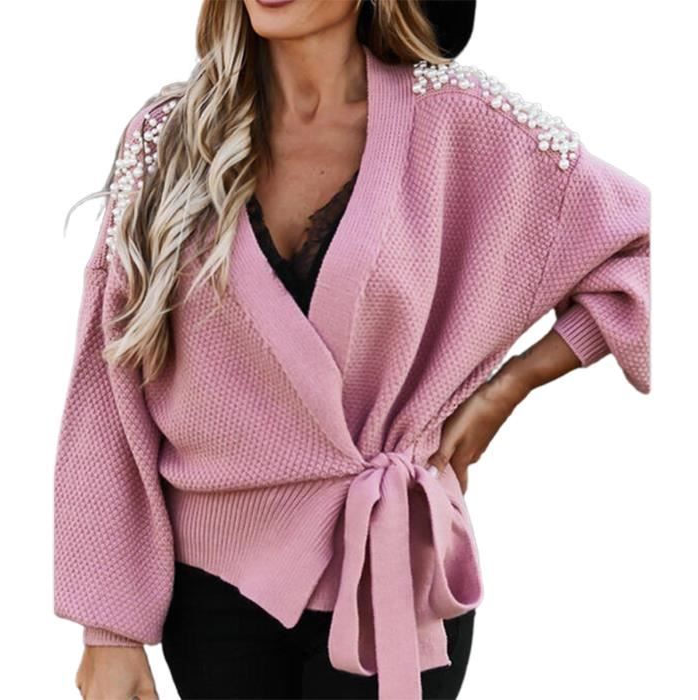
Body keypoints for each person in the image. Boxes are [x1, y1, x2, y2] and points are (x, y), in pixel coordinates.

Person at [53, 1, 650, 698]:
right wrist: (109, 631)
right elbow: (108, 385)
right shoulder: (167, 140)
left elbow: (645, 251)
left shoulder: (464, 124)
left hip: (392, 578)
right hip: (214, 597)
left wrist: (507, 389)